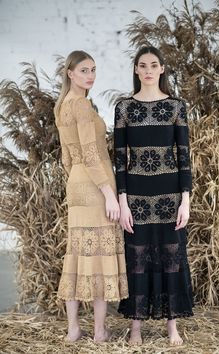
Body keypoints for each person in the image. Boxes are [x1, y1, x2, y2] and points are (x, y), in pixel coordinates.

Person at [114, 46, 194, 346]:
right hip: (135, 196)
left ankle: (172, 327)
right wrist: (122, 201)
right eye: (142, 65)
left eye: (153, 64)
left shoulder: (176, 107)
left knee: (171, 258)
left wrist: (186, 199)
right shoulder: (124, 108)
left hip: (170, 196)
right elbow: (120, 159)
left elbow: (184, 156)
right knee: (137, 259)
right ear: (136, 70)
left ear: (162, 69)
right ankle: (135, 327)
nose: (148, 69)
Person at [54, 50, 128, 343]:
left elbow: (67, 157)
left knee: (77, 255)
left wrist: (74, 182)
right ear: (70, 73)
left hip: (76, 185)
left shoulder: (62, 106)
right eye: (84, 70)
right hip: (97, 186)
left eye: (93, 70)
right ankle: (99, 331)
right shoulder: (82, 106)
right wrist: (109, 194)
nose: (91, 76)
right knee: (98, 258)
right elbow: (91, 154)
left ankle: (73, 329)